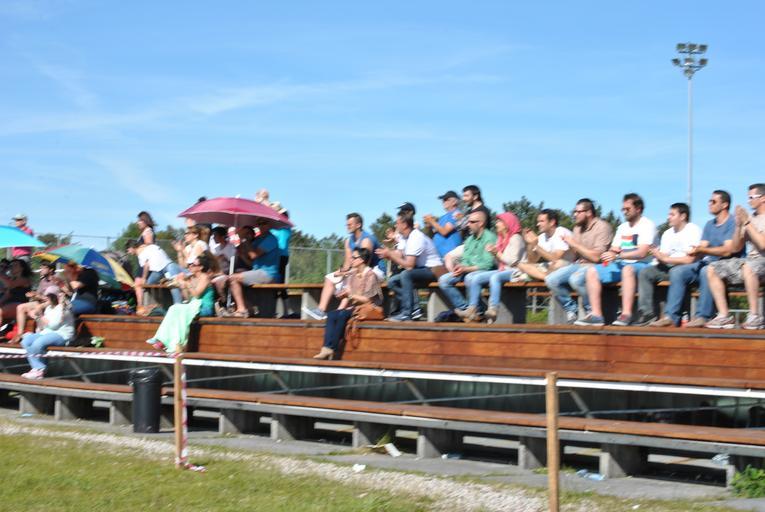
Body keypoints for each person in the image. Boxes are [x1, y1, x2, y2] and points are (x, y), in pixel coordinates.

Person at [649, 191, 741, 327]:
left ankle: (703, 316)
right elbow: (702, 246)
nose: (709, 204)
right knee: (678, 272)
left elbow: (727, 250)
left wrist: (702, 250)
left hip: (728, 264)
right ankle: (671, 317)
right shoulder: (709, 224)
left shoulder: (732, 223)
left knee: (706, 271)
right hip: (708, 262)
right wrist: (694, 251)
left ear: (724, 205)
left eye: (713, 201)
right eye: (709, 201)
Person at [576, 193, 656, 326]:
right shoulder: (623, 227)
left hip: (643, 264)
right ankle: (596, 315)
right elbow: (615, 248)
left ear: (638, 209)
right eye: (623, 209)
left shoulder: (647, 225)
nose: (624, 212)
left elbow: (642, 253)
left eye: (627, 209)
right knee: (592, 271)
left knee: (627, 269)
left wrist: (618, 256)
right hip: (622, 263)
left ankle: (626, 314)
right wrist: (609, 255)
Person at [303, 213, 386, 320]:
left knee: (350, 280)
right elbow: (348, 263)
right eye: (347, 224)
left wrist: (348, 274)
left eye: (350, 224)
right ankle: (321, 311)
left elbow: (364, 264)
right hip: (358, 268)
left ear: (358, 225)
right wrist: (341, 272)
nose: (347, 226)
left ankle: (338, 312)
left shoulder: (366, 240)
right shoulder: (348, 241)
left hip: (375, 270)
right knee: (330, 277)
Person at [705, 184, 765, 329]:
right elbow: (736, 247)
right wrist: (738, 226)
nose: (748, 201)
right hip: (751, 262)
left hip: (761, 262)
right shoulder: (749, 218)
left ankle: (755, 316)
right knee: (713, 268)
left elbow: (763, 245)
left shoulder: (752, 220)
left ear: (763, 198)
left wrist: (747, 223)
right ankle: (724, 316)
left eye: (752, 197)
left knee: (748, 267)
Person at [545, 199, 613, 324]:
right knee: (551, 279)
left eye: (578, 212)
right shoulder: (577, 228)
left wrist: (574, 244)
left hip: (597, 267)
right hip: (579, 265)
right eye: (574, 212)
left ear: (589, 212)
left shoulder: (603, 227)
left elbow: (597, 258)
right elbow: (575, 255)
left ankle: (592, 311)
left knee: (575, 279)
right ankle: (571, 310)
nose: (575, 214)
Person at [633, 203, 702, 325]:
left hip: (688, 269)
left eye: (672, 214)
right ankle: (647, 313)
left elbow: (690, 260)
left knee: (677, 272)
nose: (668, 217)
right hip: (669, 268)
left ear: (683, 216)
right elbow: (663, 257)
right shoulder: (667, 233)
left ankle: (670, 317)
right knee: (645, 272)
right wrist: (656, 254)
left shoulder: (693, 230)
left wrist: (665, 259)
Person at [313, 248, 383, 360]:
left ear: (361, 260)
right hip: (356, 307)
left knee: (342, 315)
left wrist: (349, 295)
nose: (351, 259)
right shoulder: (353, 273)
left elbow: (368, 300)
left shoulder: (370, 275)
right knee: (332, 314)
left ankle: (332, 348)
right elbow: (347, 290)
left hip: (369, 308)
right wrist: (343, 295)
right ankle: (326, 348)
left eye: (354, 257)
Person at [378, 214, 444, 322]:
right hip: (421, 270)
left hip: (433, 270)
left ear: (404, 225)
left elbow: (409, 265)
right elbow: (399, 254)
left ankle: (406, 314)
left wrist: (390, 254)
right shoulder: (404, 237)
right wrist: (387, 254)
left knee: (406, 274)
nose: (395, 225)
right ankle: (413, 308)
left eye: (397, 223)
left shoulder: (416, 237)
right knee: (392, 282)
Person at [146, 253, 216, 353]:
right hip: (194, 305)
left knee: (179, 311)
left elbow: (196, 295)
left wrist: (186, 283)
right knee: (174, 308)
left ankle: (177, 343)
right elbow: (188, 298)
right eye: (190, 264)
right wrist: (182, 285)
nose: (190, 267)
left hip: (204, 307)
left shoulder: (204, 277)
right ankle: (161, 339)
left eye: (193, 265)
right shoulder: (193, 278)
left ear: (201, 267)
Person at [464, 211, 524, 323]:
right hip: (503, 270)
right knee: (476, 278)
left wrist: (497, 253)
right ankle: (472, 308)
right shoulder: (501, 239)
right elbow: (499, 263)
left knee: (495, 277)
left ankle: (493, 308)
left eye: (499, 222)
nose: (496, 224)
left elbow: (513, 262)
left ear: (507, 223)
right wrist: (493, 254)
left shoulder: (516, 238)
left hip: (516, 272)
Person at [438, 209, 498, 321]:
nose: (468, 224)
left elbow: (488, 264)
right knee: (443, 280)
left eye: (472, 222)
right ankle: (466, 309)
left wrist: (466, 269)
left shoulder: (490, 238)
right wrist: (460, 267)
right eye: (468, 222)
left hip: (484, 271)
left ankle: (478, 311)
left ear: (481, 223)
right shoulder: (470, 240)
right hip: (468, 270)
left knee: (470, 278)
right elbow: (465, 259)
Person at [228, 221, 282, 317]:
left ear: (270, 225)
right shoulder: (259, 239)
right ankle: (249, 308)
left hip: (268, 274)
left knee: (233, 279)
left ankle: (242, 309)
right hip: (258, 272)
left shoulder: (271, 239)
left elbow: (253, 255)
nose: (261, 225)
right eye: (259, 223)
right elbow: (249, 259)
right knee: (231, 278)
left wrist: (244, 239)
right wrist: (241, 241)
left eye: (264, 223)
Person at [20, 293, 75, 380]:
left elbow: (54, 325)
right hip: (47, 332)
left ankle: (39, 370)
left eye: (47, 298)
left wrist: (39, 315)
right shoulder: (49, 308)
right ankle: (36, 368)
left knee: (38, 343)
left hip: (62, 334)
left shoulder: (63, 308)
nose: (44, 299)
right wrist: (37, 315)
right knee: (26, 341)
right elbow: (44, 326)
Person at [125, 240, 183, 314]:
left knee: (148, 285)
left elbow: (146, 266)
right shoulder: (149, 247)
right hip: (165, 266)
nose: (128, 252)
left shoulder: (140, 253)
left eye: (128, 250)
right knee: (152, 284)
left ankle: (159, 305)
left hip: (159, 270)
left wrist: (144, 278)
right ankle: (163, 300)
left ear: (131, 248)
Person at [516, 209, 574, 281]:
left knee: (557, 263)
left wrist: (536, 246)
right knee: (521, 265)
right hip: (550, 267)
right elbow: (532, 260)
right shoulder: (542, 237)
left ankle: (541, 277)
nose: (538, 224)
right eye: (538, 222)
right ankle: (546, 277)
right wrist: (530, 244)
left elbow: (555, 258)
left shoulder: (561, 231)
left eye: (541, 221)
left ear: (552, 222)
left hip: (568, 266)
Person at [11, 261, 62, 343]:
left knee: (37, 309)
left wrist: (39, 296)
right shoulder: (43, 281)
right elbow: (39, 295)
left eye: (43, 268)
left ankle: (41, 332)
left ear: (51, 270)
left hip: (52, 303)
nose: (41, 270)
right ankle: (20, 334)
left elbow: (54, 298)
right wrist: (33, 295)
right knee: (20, 307)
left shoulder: (57, 280)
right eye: (41, 268)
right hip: (41, 302)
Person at [423, 191, 463, 258]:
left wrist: (431, 221)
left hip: (450, 255)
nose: (443, 202)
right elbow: (432, 235)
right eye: (443, 200)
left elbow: (444, 231)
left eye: (446, 200)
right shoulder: (443, 217)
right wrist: (429, 225)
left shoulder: (457, 213)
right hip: (440, 256)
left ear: (454, 202)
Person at [0, 258, 33, 329]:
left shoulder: (25, 279)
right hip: (11, 304)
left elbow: (10, 285)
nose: (12, 267)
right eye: (11, 266)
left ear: (22, 268)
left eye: (15, 265)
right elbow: (7, 294)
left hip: (20, 305)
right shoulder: (12, 279)